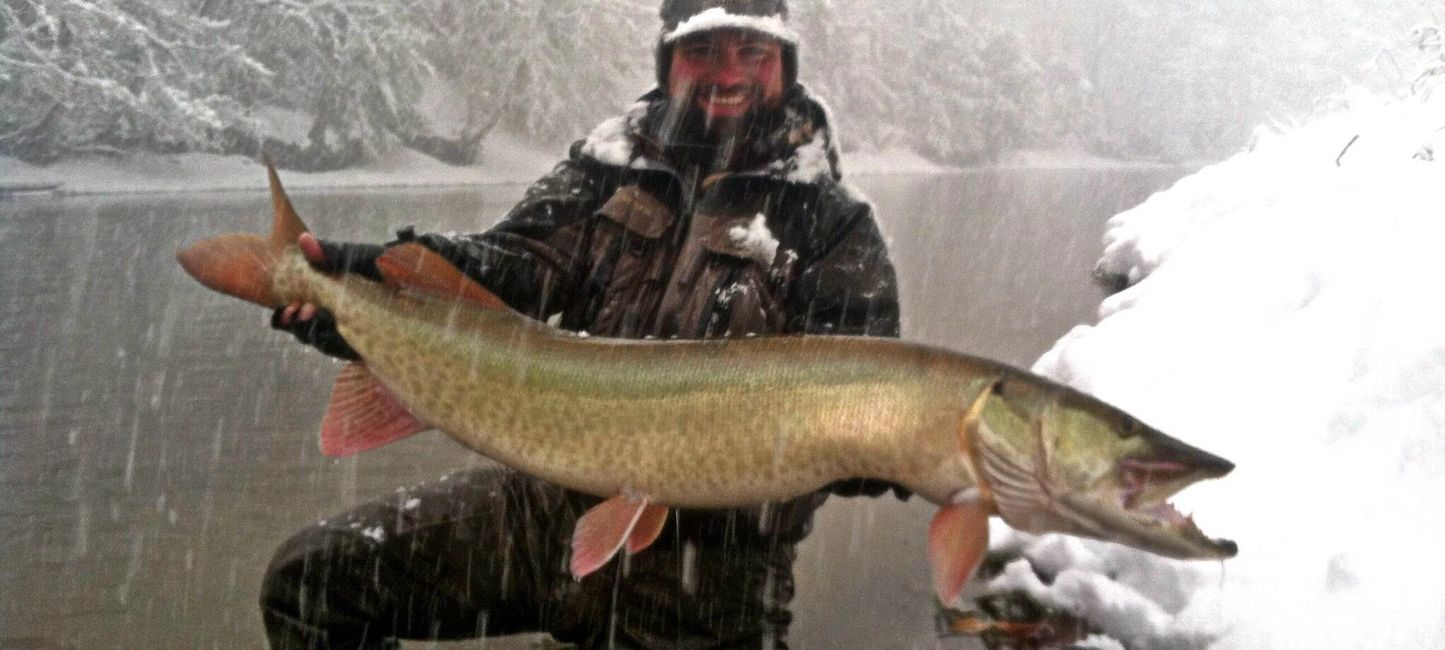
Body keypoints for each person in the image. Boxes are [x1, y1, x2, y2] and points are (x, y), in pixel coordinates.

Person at [261, 1, 905, 647]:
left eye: (752, 52)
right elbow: (514, 267)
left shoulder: (833, 223)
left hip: (711, 567)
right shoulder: (603, 171)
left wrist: (878, 451)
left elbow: (865, 377)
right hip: (542, 510)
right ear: (667, 59)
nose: (726, 72)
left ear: (785, 64)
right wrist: (371, 278)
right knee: (311, 583)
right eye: (702, 50)